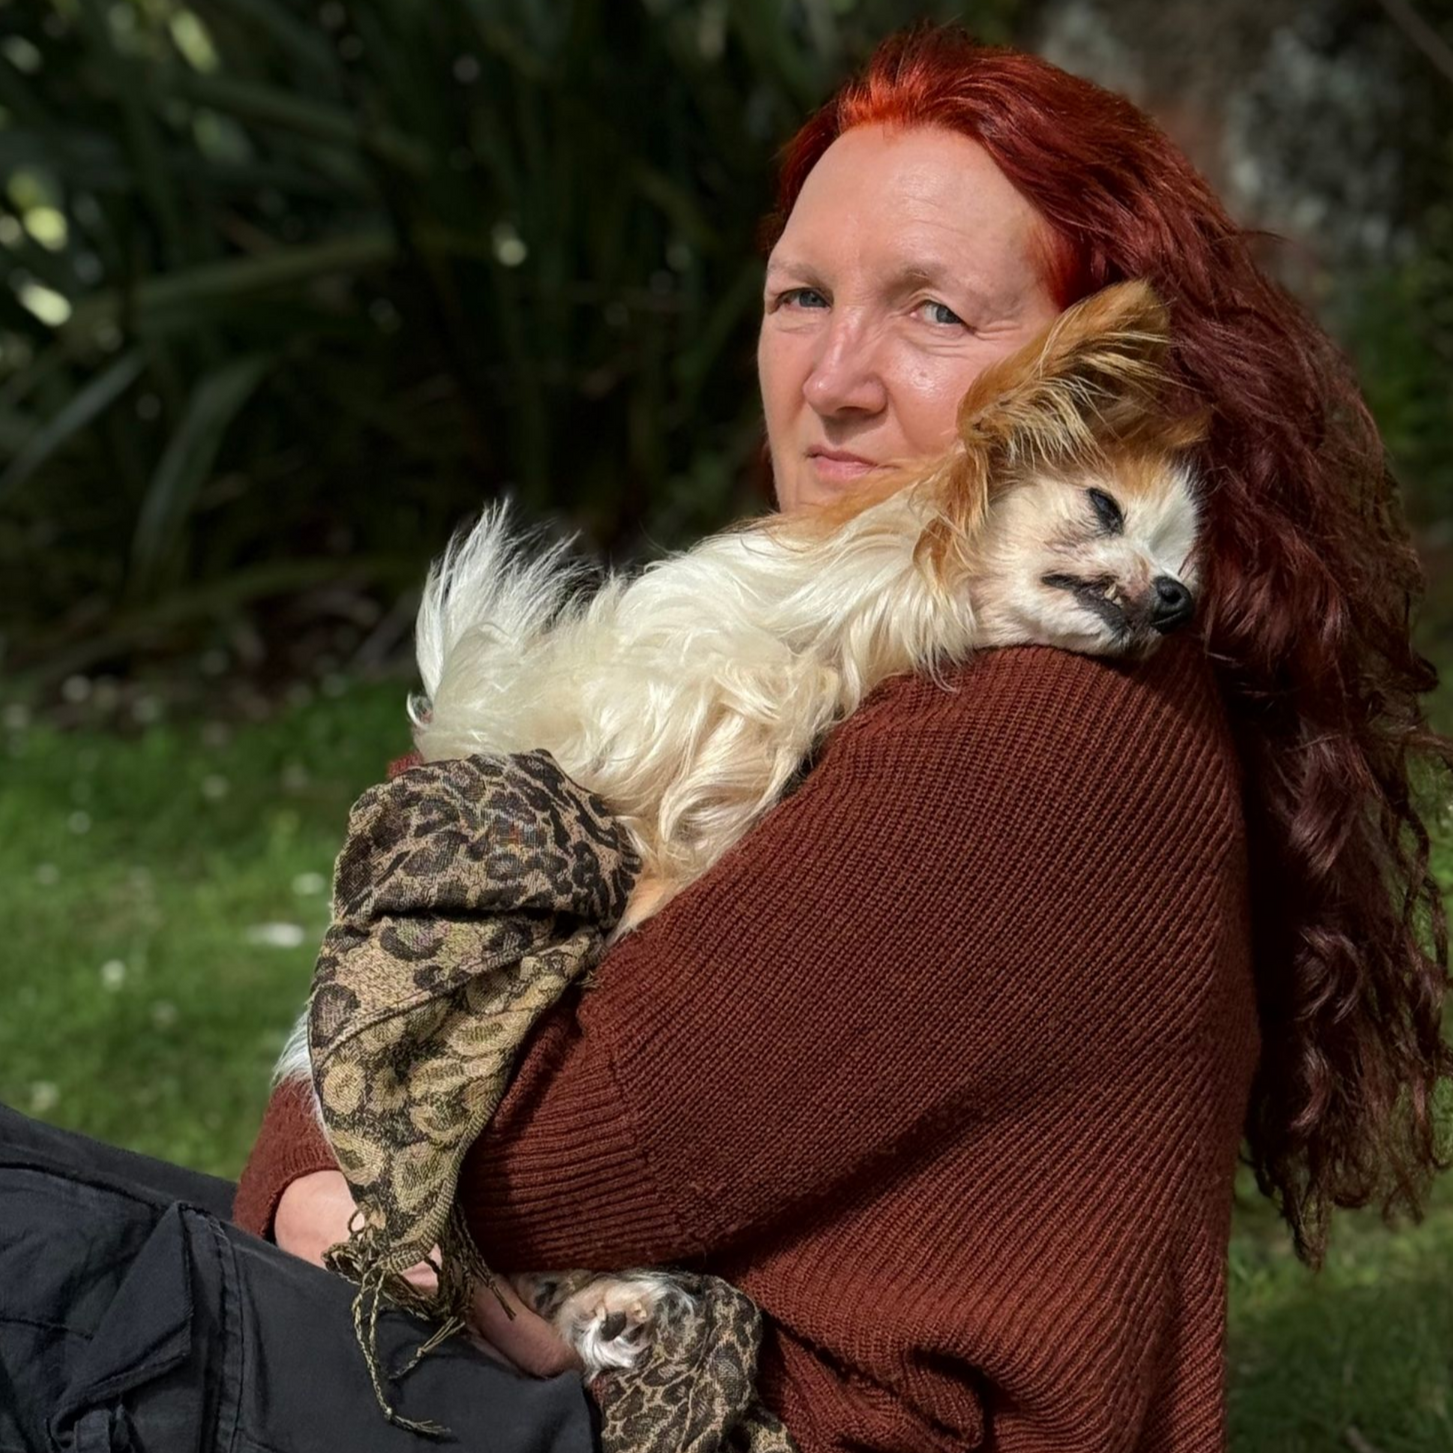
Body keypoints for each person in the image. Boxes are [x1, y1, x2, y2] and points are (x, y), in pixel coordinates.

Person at [5, 23, 1449, 1453]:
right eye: (801, 297)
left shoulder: (1054, 725)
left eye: (935, 314)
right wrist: (321, 1179)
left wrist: (330, 1171)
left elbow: (574, 1144)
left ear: (1091, 394)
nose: (836, 378)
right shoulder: (863, 662)